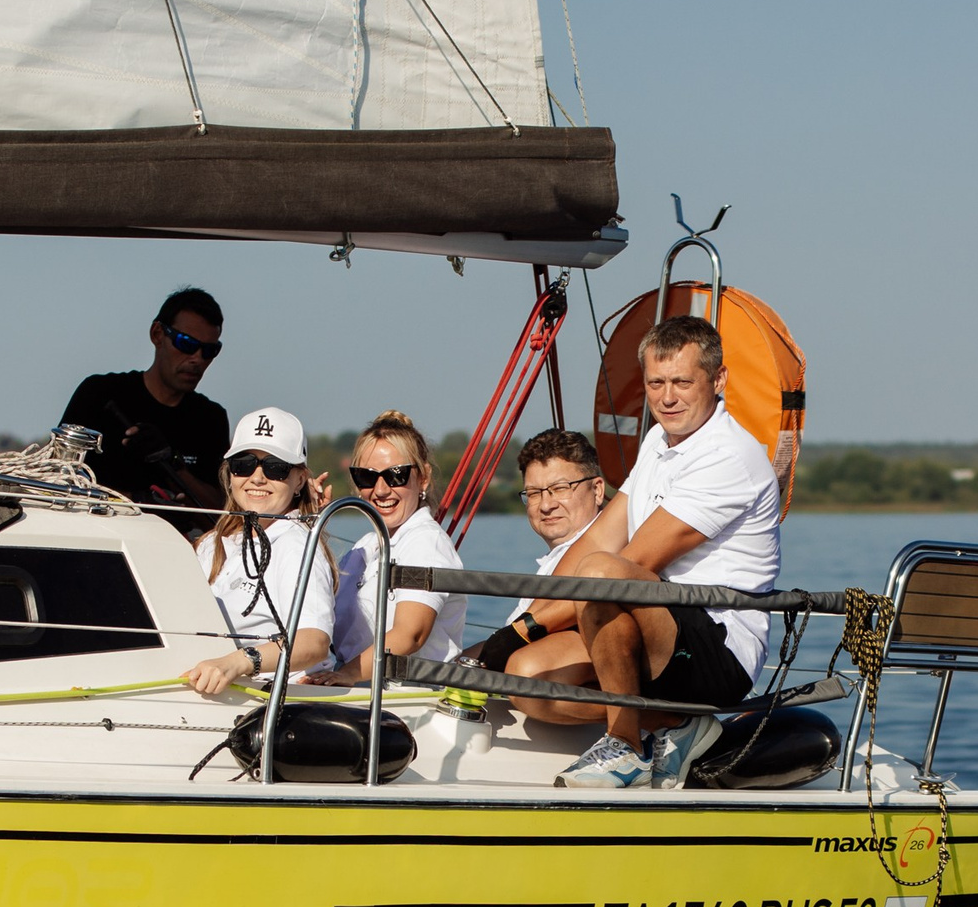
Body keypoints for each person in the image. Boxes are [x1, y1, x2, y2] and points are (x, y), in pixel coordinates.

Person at [486, 317, 781, 790]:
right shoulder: (658, 442)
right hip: (652, 618)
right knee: (527, 678)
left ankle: (624, 747)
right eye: (655, 383)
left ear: (718, 380)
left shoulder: (729, 455)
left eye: (683, 382)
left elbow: (630, 563)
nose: (667, 398)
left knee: (602, 573)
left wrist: (524, 629)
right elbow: (599, 537)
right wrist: (520, 627)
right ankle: (671, 724)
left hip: (718, 646)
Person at [180, 407, 336, 697]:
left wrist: (237, 663)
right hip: (220, 691)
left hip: (283, 700)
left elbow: (314, 641)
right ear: (230, 474)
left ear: (300, 480)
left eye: (275, 467)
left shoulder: (295, 544)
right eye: (244, 464)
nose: (257, 477)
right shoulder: (213, 543)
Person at [464, 427, 618, 709]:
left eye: (560, 489)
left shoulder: (610, 555)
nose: (546, 505)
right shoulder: (555, 560)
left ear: (597, 490)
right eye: (534, 493)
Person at [313, 410, 469, 683]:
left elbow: (410, 634)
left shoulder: (425, 542)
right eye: (367, 477)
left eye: (396, 475)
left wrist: (345, 675)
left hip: (409, 699)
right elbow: (317, 612)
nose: (381, 490)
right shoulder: (367, 546)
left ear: (423, 478)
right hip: (363, 689)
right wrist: (309, 524)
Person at [61, 288, 230, 522]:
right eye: (186, 343)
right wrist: (137, 502)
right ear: (157, 334)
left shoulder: (210, 419)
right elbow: (59, 480)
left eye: (210, 351)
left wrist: (173, 463)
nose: (197, 359)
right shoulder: (99, 394)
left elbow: (219, 511)